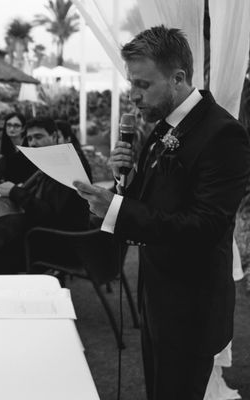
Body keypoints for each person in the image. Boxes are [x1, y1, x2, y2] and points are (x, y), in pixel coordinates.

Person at [73, 26, 250, 400]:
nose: (133, 95)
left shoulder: (223, 134)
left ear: (178, 78)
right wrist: (130, 179)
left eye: (142, 84)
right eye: (131, 83)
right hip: (157, 296)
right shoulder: (163, 126)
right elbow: (158, 202)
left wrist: (117, 210)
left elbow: (204, 226)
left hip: (191, 307)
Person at [0, 116, 89, 275]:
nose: (33, 143)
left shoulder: (68, 164)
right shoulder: (52, 161)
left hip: (62, 244)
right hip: (46, 236)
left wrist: (15, 192)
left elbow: (49, 214)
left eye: (39, 137)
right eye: (29, 138)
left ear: (55, 136)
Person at [0, 112, 34, 185]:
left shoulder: (29, 145)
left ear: (23, 129)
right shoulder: (7, 146)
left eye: (16, 126)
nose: (11, 129)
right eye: (9, 125)